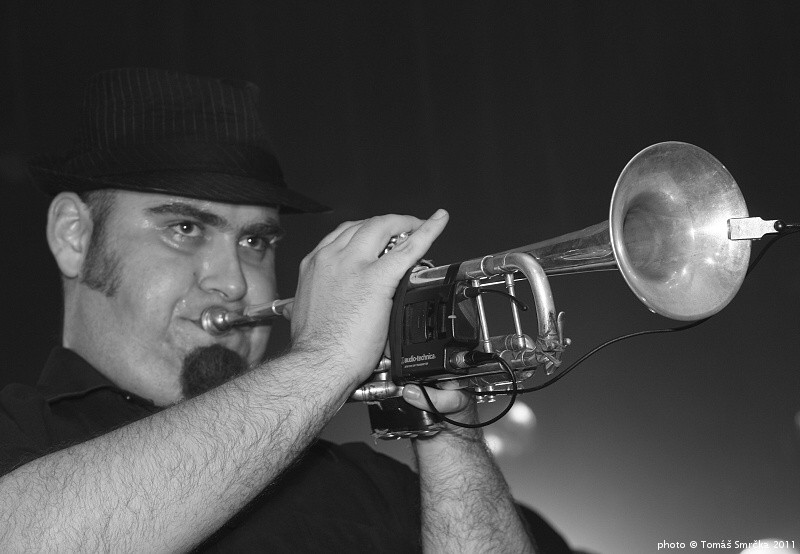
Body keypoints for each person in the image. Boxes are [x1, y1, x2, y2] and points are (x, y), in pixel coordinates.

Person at [0, 68, 572, 552]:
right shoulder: (18, 433)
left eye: (255, 242)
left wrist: (450, 430)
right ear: (74, 235)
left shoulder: (369, 489)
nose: (233, 282)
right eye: (185, 228)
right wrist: (324, 358)